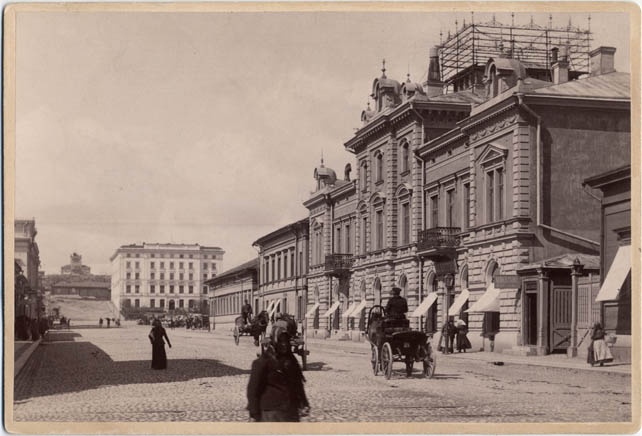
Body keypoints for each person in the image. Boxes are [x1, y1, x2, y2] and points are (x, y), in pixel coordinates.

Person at [247, 330, 309, 422]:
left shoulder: (291, 361)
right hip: (271, 412)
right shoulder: (263, 362)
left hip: (290, 411)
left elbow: (298, 383)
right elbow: (253, 389)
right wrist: (254, 413)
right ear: (274, 342)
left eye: (286, 341)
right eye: (281, 341)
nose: (284, 344)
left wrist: (304, 402)